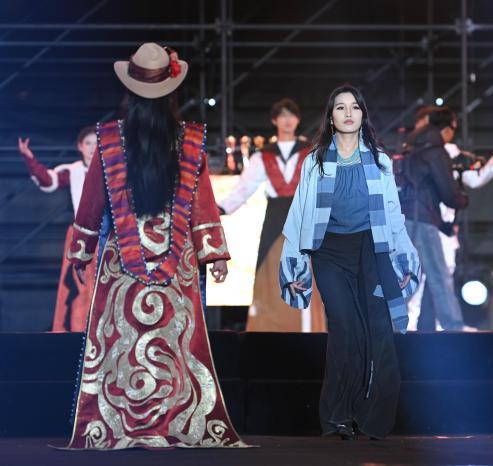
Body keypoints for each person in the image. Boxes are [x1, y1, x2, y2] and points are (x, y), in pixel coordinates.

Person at [63, 43, 246, 450]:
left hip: (121, 261)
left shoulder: (108, 139)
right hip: (177, 256)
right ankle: (174, 421)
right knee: (174, 343)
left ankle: (118, 424)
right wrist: (213, 252)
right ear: (171, 92)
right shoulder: (190, 139)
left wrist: (82, 249)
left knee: (122, 343)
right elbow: (202, 201)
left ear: (129, 93)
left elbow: (92, 200)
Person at [279, 84, 420, 439]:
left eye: (354, 107)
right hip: (329, 252)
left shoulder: (380, 161)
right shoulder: (314, 161)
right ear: (331, 116)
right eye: (340, 107)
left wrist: (403, 259)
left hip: (371, 250)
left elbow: (393, 214)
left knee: (378, 329)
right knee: (344, 327)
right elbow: (299, 213)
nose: (347, 113)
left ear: (362, 115)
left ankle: (370, 418)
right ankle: (336, 417)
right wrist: (294, 263)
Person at [408, 107, 493, 331]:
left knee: (441, 274)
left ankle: (435, 326)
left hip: (441, 225)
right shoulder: (425, 151)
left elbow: (472, 178)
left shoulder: (448, 152)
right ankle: (412, 325)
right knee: (420, 276)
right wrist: (458, 199)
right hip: (425, 221)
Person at [220, 98, 316, 331]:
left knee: (308, 271)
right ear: (274, 120)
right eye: (282, 115)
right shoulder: (262, 156)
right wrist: (219, 209)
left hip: (303, 217)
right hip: (275, 219)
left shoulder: (311, 152)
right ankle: (270, 330)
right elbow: (244, 187)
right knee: (270, 271)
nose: (287, 120)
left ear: (298, 120)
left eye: (291, 115)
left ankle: (309, 332)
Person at [18, 127, 98, 332]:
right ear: (80, 147)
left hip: (105, 235)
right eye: (88, 143)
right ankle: (77, 330)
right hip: (80, 235)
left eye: (96, 143)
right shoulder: (74, 171)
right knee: (77, 286)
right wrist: (29, 158)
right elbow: (48, 180)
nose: (92, 148)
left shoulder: (110, 171)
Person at [398, 108, 468, 331]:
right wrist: (462, 199)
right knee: (439, 275)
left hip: (404, 217)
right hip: (422, 219)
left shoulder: (411, 146)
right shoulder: (435, 151)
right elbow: (447, 192)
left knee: (406, 276)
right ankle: (454, 328)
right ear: (446, 129)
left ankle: (392, 326)